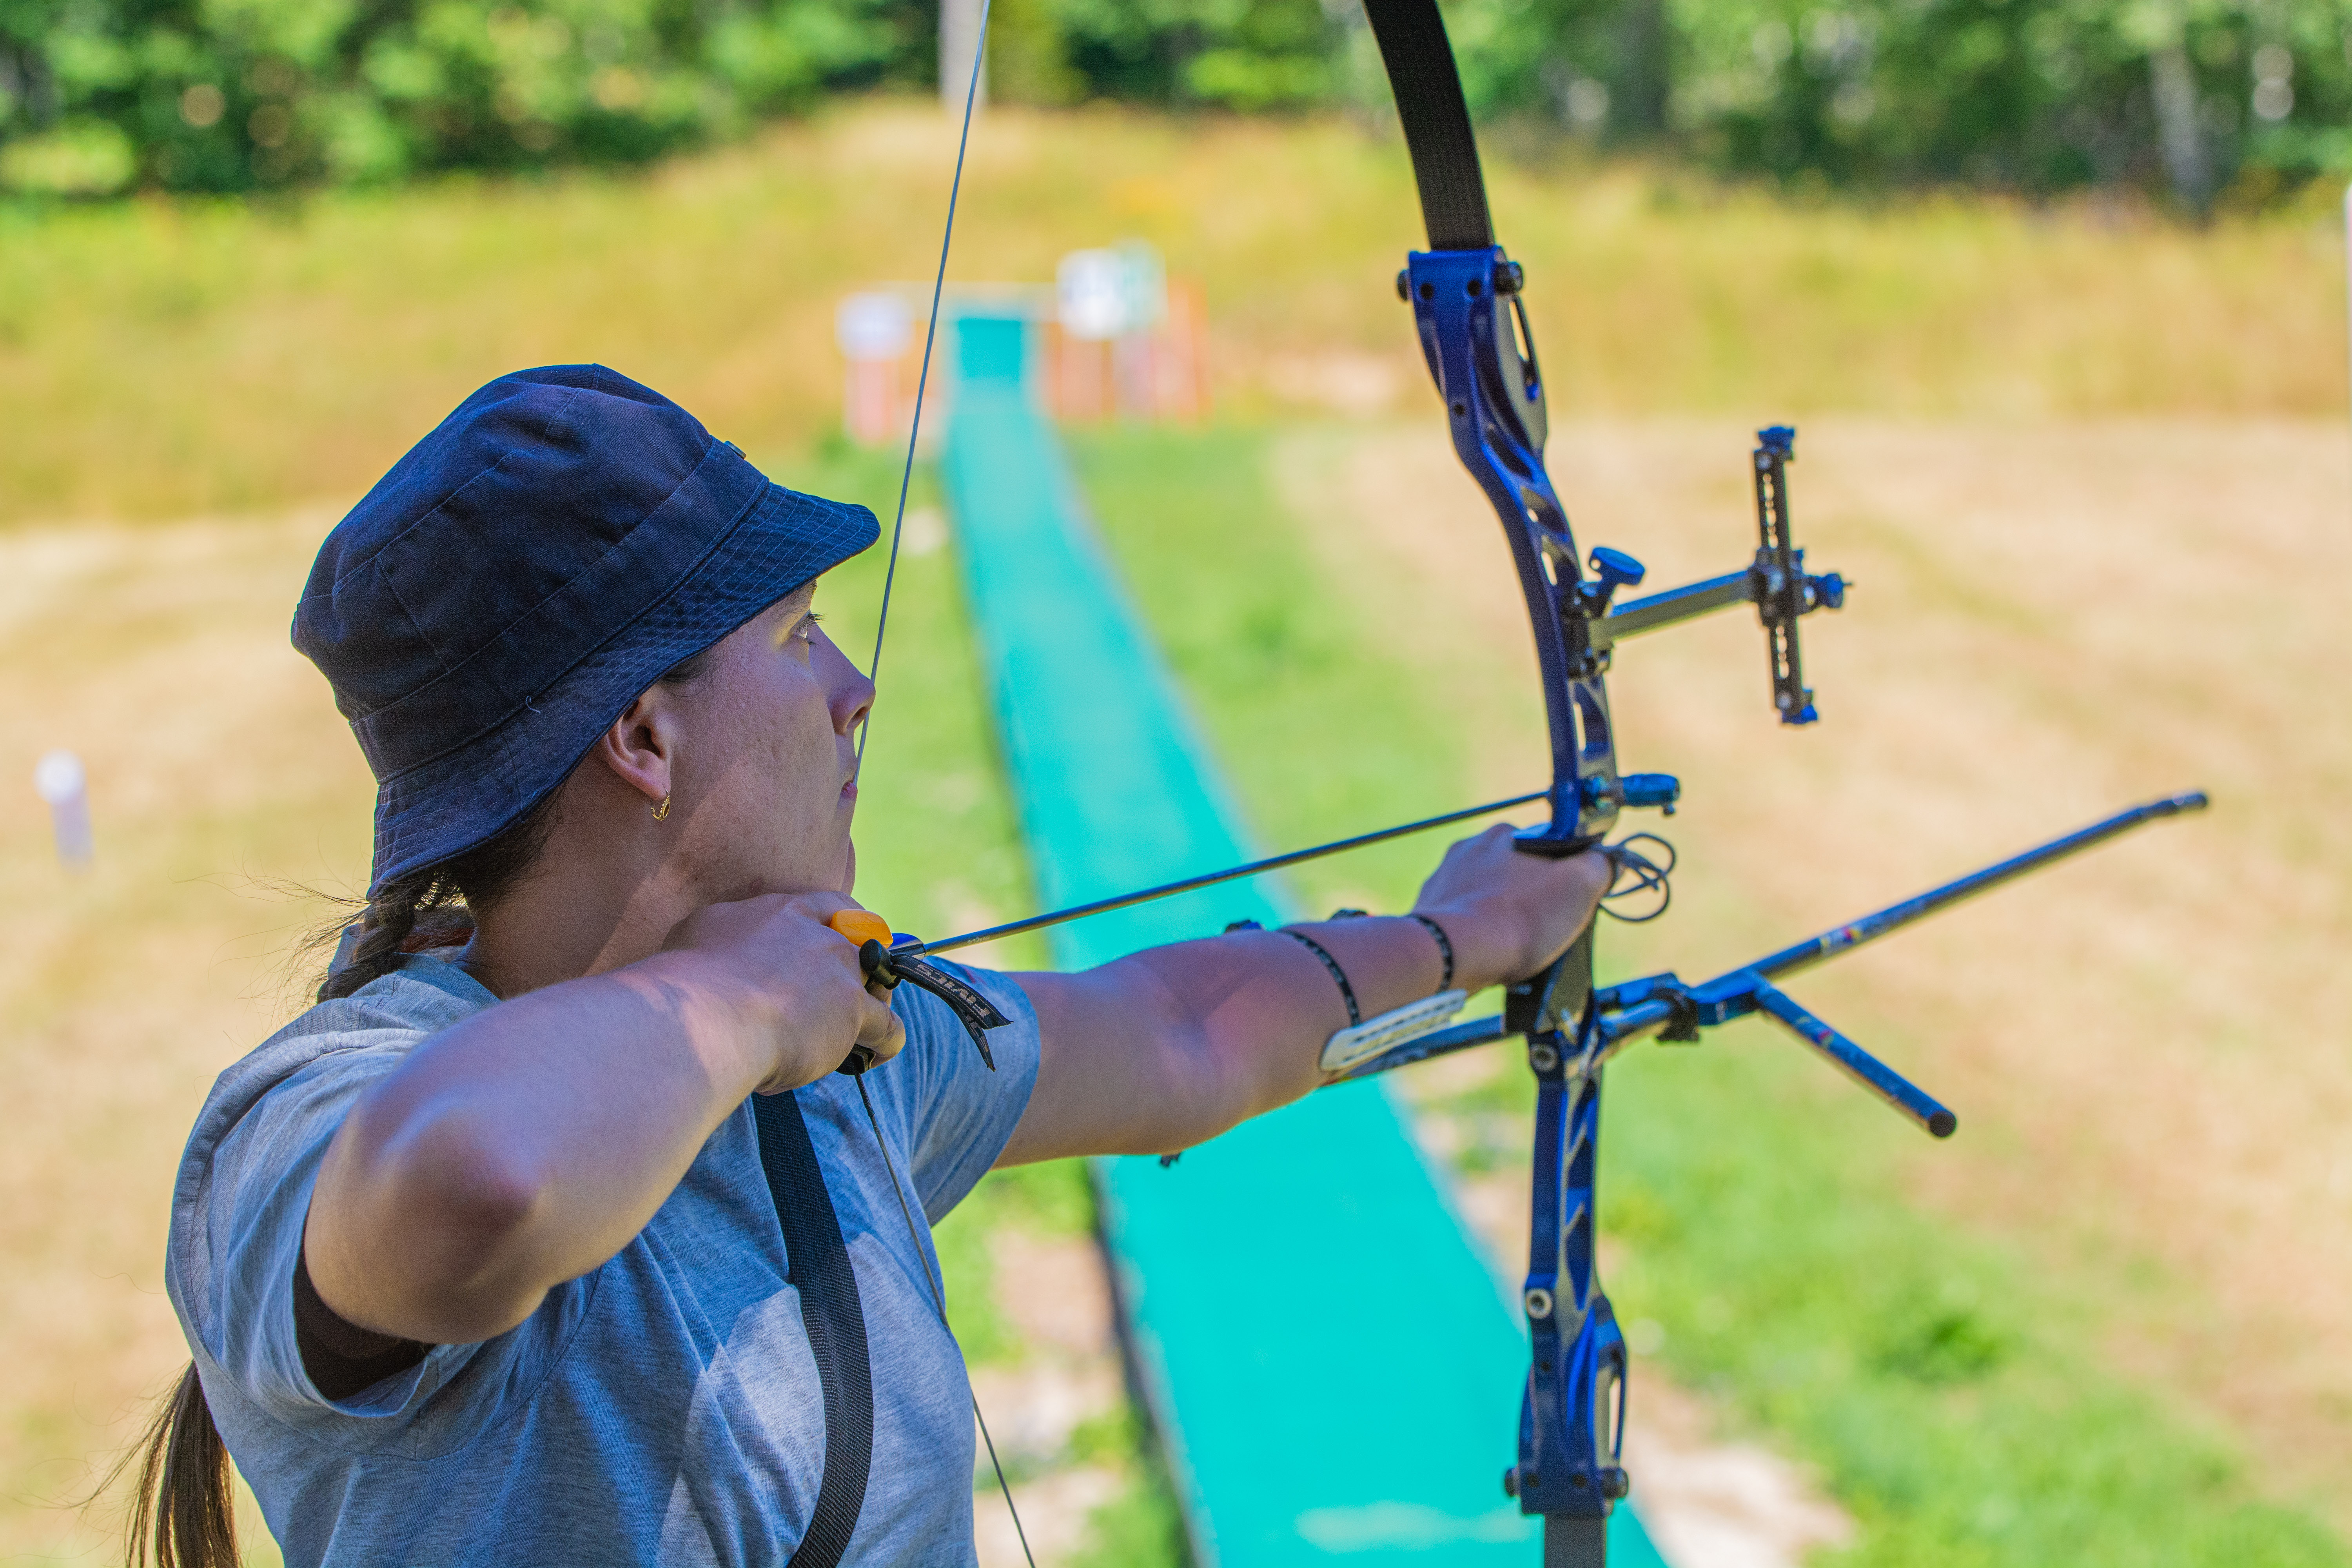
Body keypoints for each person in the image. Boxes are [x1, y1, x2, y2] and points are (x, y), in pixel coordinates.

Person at [134, 365, 1610, 1568]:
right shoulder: (320, 1108)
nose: (856, 691)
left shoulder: (831, 1051)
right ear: (643, 738)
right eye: (800, 634)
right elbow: (482, 1184)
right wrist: (735, 1003)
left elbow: (1177, 1037)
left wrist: (1466, 934)